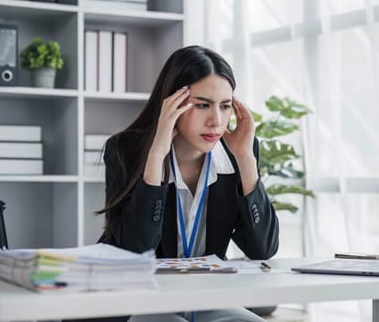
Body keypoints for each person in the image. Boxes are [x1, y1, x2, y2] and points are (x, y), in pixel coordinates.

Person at [97, 45, 279, 322]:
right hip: (139, 299)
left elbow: (262, 249)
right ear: (172, 103)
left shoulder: (238, 150)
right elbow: (137, 249)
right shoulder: (125, 150)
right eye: (203, 105)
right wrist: (156, 155)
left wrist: (246, 160)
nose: (216, 121)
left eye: (225, 106)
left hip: (205, 297)